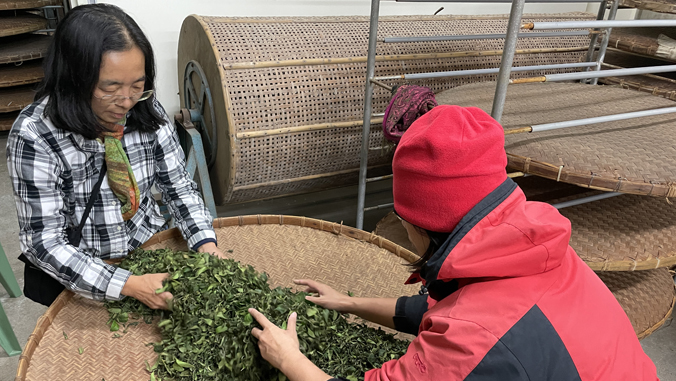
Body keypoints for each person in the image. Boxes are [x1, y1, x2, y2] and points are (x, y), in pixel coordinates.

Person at [248, 105, 659, 380]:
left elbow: (470, 330)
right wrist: (347, 303)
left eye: (404, 219)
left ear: (424, 226)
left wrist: (290, 360)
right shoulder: (529, 251)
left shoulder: (475, 338)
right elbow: (434, 308)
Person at [6, 4, 224, 309]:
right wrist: (128, 284)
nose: (126, 102)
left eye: (138, 86)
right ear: (73, 78)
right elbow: (44, 242)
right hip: (88, 274)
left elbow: (179, 186)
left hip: (149, 251)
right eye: (110, 88)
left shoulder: (145, 111)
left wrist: (206, 244)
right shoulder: (35, 136)